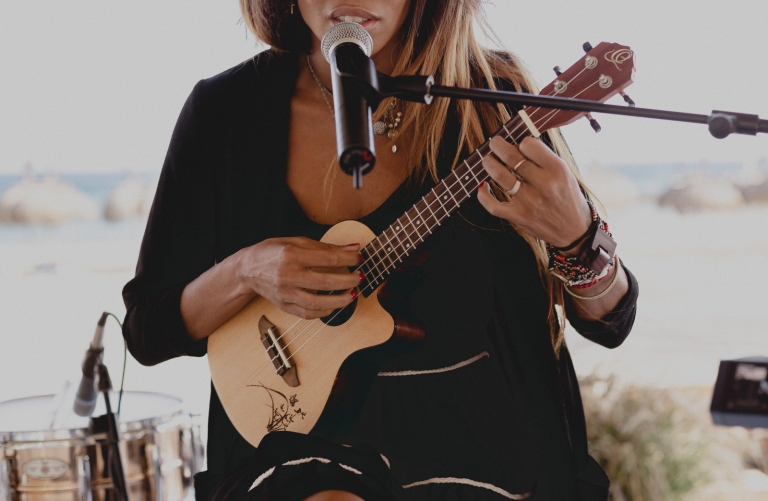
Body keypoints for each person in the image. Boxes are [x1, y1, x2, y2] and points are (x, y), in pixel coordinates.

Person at [122, 0, 639, 499]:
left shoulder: (493, 99)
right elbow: (149, 331)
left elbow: (609, 320)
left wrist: (577, 236)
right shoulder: (227, 111)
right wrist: (244, 272)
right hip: (294, 451)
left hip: (485, 448)